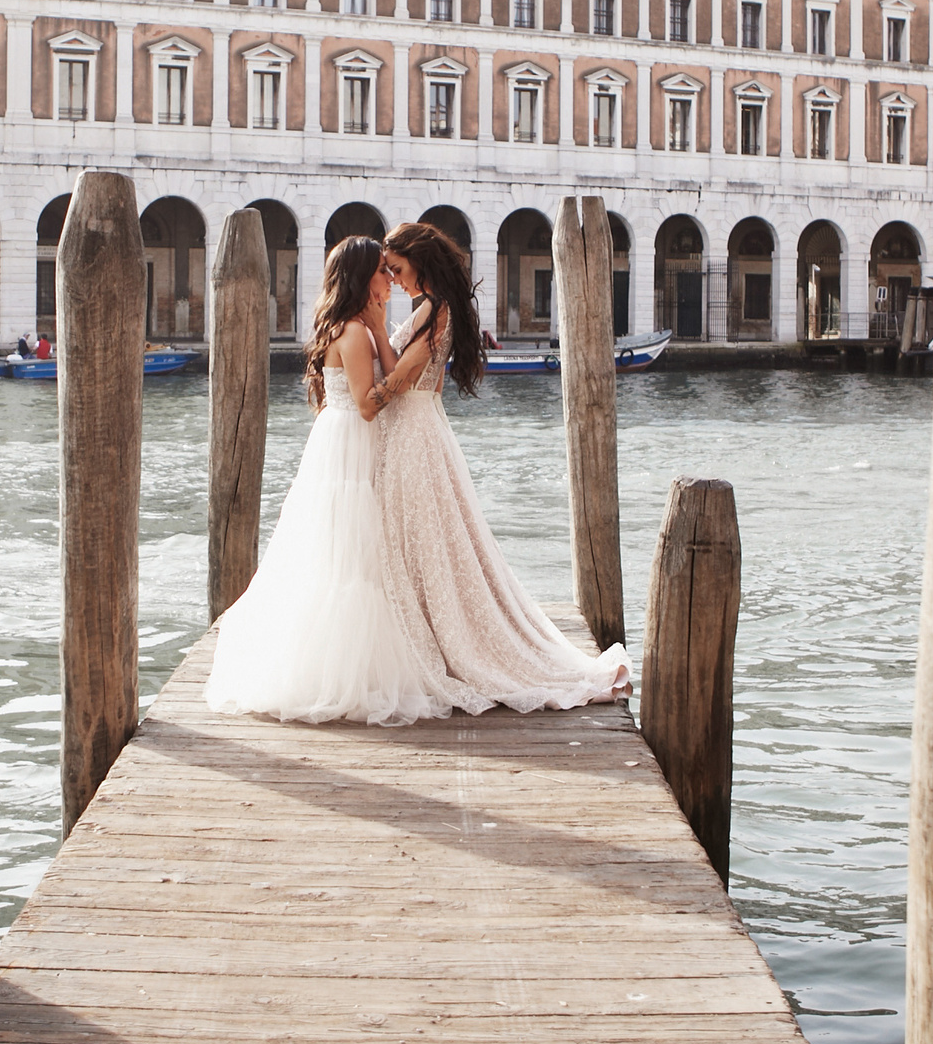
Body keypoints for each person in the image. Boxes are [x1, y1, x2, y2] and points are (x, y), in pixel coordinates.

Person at [206, 236, 478, 727]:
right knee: (351, 558)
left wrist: (382, 333)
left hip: (350, 438)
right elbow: (371, 405)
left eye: (391, 269)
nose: (389, 279)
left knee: (361, 556)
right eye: (380, 271)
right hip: (351, 441)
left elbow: (390, 385)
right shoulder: (353, 334)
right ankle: (343, 671)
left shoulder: (363, 329)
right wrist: (378, 334)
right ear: (360, 279)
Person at [368, 221, 628, 710]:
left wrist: (361, 394)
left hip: (413, 431)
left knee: (418, 540)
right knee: (425, 540)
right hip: (422, 428)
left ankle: (434, 642)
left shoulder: (431, 310)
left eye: (398, 269)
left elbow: (401, 381)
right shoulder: (437, 308)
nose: (395, 279)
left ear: (421, 262)